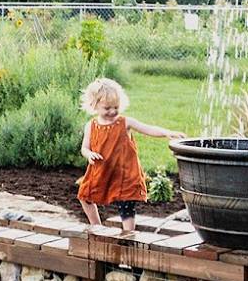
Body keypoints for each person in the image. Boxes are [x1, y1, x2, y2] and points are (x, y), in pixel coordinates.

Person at [76, 77, 182, 236]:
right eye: (107, 108)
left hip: (124, 174)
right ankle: (97, 226)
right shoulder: (91, 126)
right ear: (94, 105)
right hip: (102, 171)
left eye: (116, 107)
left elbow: (148, 129)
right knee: (85, 196)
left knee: (126, 203)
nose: (112, 111)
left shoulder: (125, 123)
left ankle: (128, 234)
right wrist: (89, 154)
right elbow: (84, 148)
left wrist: (167, 133)